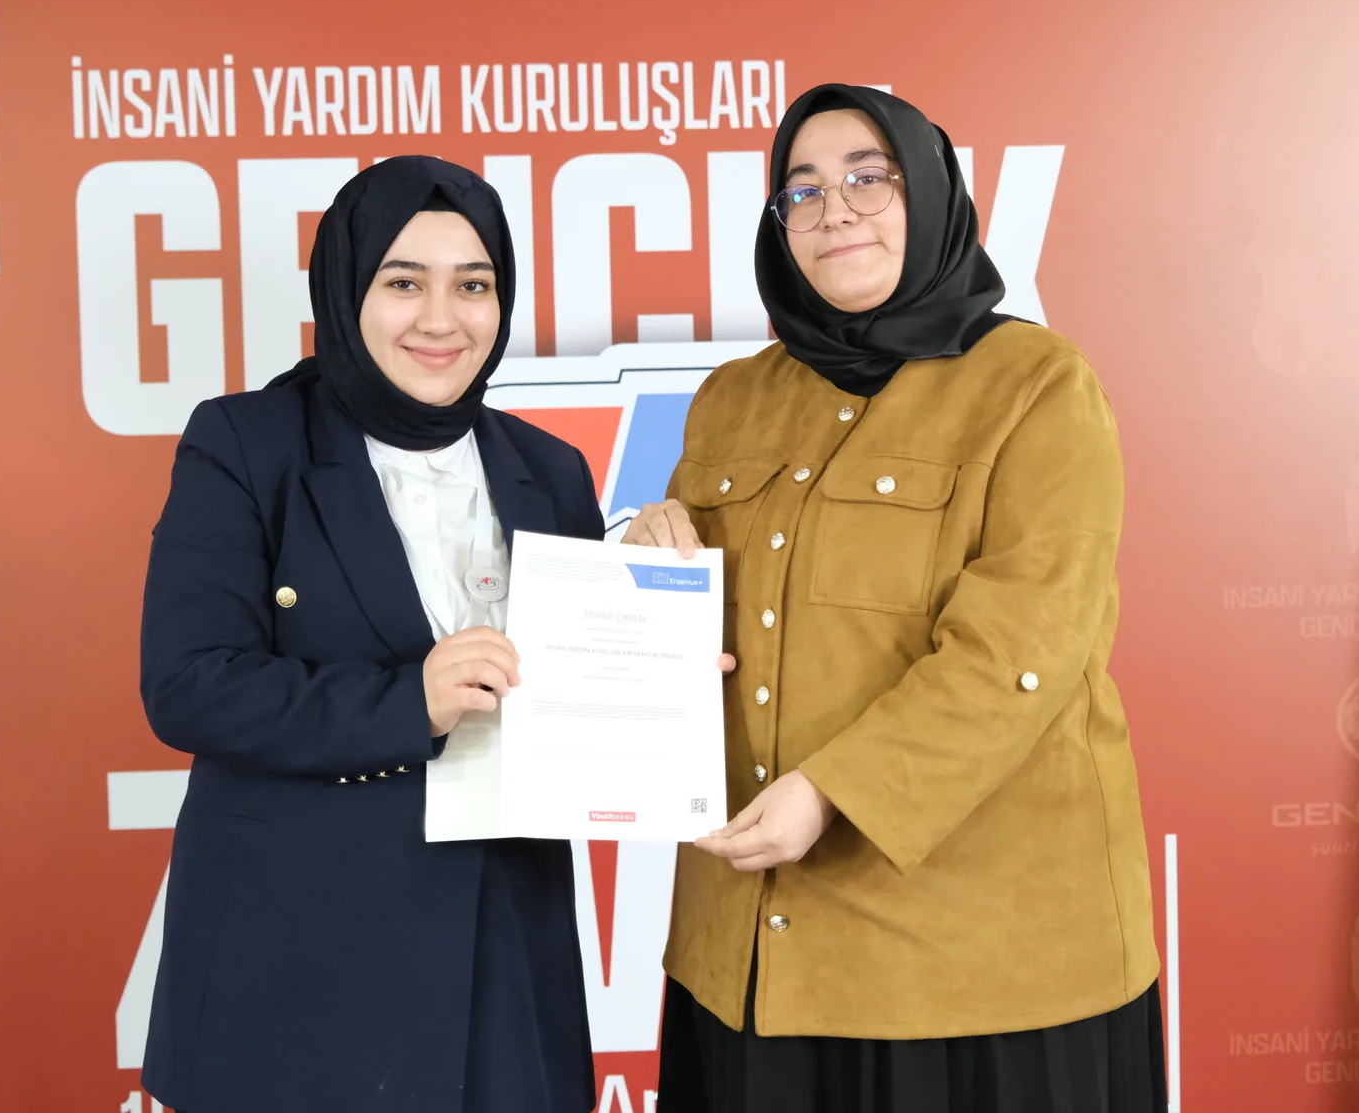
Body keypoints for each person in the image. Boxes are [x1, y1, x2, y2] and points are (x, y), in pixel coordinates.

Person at [626, 85, 1167, 1113]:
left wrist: (833, 792)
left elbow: (1023, 650)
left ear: (930, 193)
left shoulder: (1038, 385)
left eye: (868, 179)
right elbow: (707, 625)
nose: (835, 211)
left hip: (976, 973)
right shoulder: (732, 399)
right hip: (749, 963)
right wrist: (648, 571)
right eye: (803, 190)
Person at [137, 156, 602, 1113]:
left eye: (473, 285)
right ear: (346, 291)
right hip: (298, 956)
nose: (441, 319)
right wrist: (408, 702)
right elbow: (187, 684)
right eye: (403, 282)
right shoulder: (245, 443)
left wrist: (669, 648)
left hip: (501, 957)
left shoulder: (550, 469)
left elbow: (582, 697)